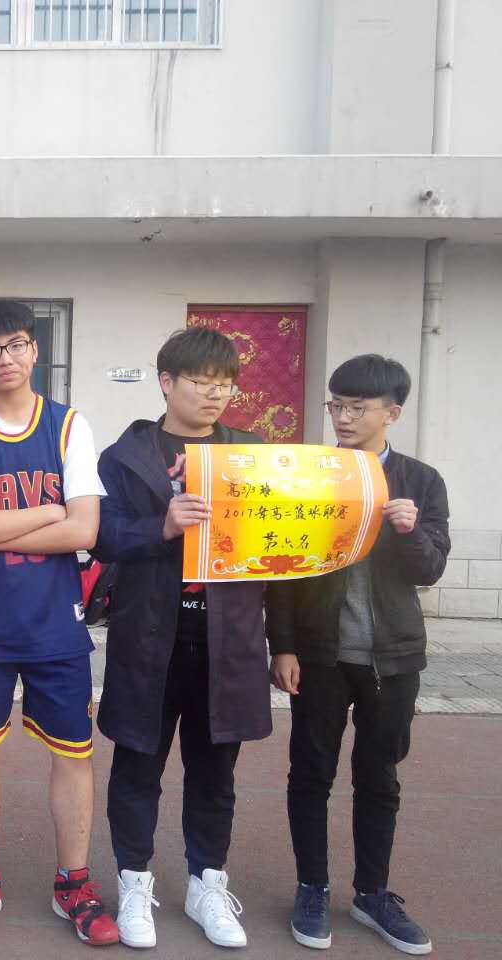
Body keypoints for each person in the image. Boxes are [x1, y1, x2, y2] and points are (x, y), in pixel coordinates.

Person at [0, 300, 117, 946]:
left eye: (15, 344)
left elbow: (85, 529)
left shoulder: (69, 425)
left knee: (73, 754)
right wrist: (47, 513)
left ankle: (75, 882)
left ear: (35, 350)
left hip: (54, 622)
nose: (4, 358)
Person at [92, 326, 271, 950]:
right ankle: (133, 881)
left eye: (225, 384)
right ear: (167, 383)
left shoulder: (252, 455)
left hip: (228, 638)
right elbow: (102, 537)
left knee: (215, 770)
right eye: (201, 382)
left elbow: (280, 554)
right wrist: (161, 525)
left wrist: (287, 644)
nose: (215, 394)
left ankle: (206, 883)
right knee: (138, 765)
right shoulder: (125, 456)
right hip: (150, 635)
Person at [269, 355, 449, 955]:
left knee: (379, 776)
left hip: (393, 659)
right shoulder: (310, 475)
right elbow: (285, 569)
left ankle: (372, 893)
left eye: (357, 407)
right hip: (320, 655)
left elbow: (429, 570)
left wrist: (410, 530)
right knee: (310, 773)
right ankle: (312, 888)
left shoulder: (421, 481)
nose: (343, 418)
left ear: (391, 413)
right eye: (336, 405)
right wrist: (283, 646)